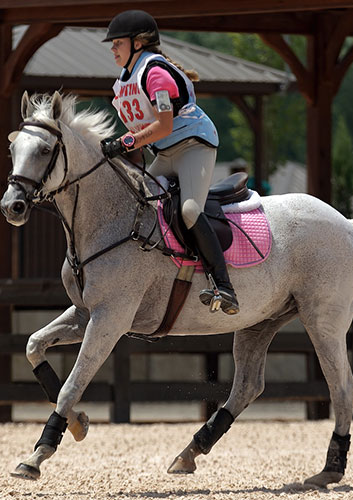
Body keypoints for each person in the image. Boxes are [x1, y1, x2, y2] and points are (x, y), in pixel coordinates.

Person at [100, 10, 238, 315]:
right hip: (164, 154)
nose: (112, 49)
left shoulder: (155, 74)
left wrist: (124, 143)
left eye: (117, 43)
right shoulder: (125, 80)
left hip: (194, 148)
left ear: (138, 43)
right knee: (140, 203)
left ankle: (225, 287)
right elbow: (148, 130)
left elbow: (162, 126)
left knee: (189, 209)